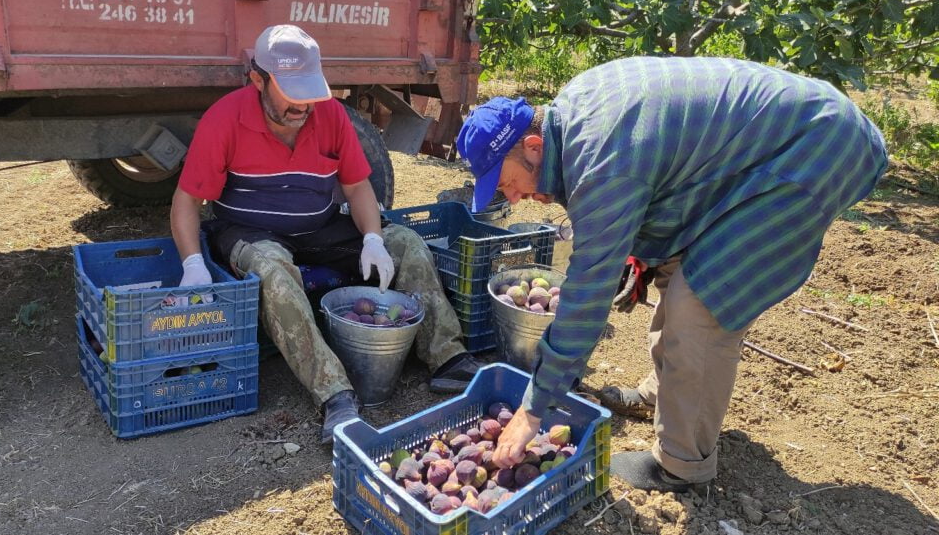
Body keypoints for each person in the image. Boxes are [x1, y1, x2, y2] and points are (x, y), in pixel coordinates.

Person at [456, 57, 888, 491]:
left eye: (507, 183)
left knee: (699, 302)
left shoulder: (602, 163)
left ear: (534, 146)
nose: (514, 197)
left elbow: (588, 291)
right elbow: (662, 180)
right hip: (773, 144)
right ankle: (664, 395)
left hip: (818, 148)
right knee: (677, 265)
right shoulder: (573, 116)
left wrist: (534, 409)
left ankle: (681, 466)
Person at [170, 24, 484, 444]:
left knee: (405, 243)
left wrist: (373, 238)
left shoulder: (330, 115)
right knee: (273, 271)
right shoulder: (225, 119)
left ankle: (447, 357)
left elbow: (357, 187)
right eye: (291, 93)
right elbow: (187, 201)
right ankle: (334, 394)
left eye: (310, 91)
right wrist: (193, 264)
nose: (303, 105)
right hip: (250, 230)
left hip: (318, 225)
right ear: (258, 80)